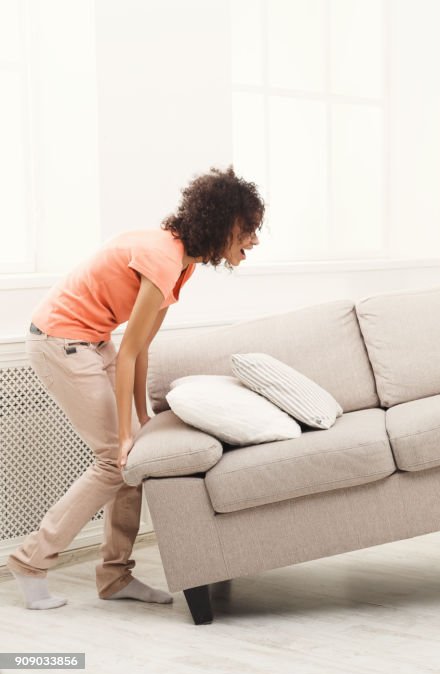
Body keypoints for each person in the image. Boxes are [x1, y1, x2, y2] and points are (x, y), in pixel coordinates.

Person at [7, 166, 264, 610]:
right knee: (114, 460)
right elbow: (128, 355)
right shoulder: (164, 259)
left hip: (91, 341)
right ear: (223, 224)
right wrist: (126, 434)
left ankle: (114, 576)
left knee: (134, 455)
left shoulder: (184, 260)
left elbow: (140, 344)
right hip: (60, 342)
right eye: (249, 229)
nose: (255, 240)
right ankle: (31, 561)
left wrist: (142, 420)